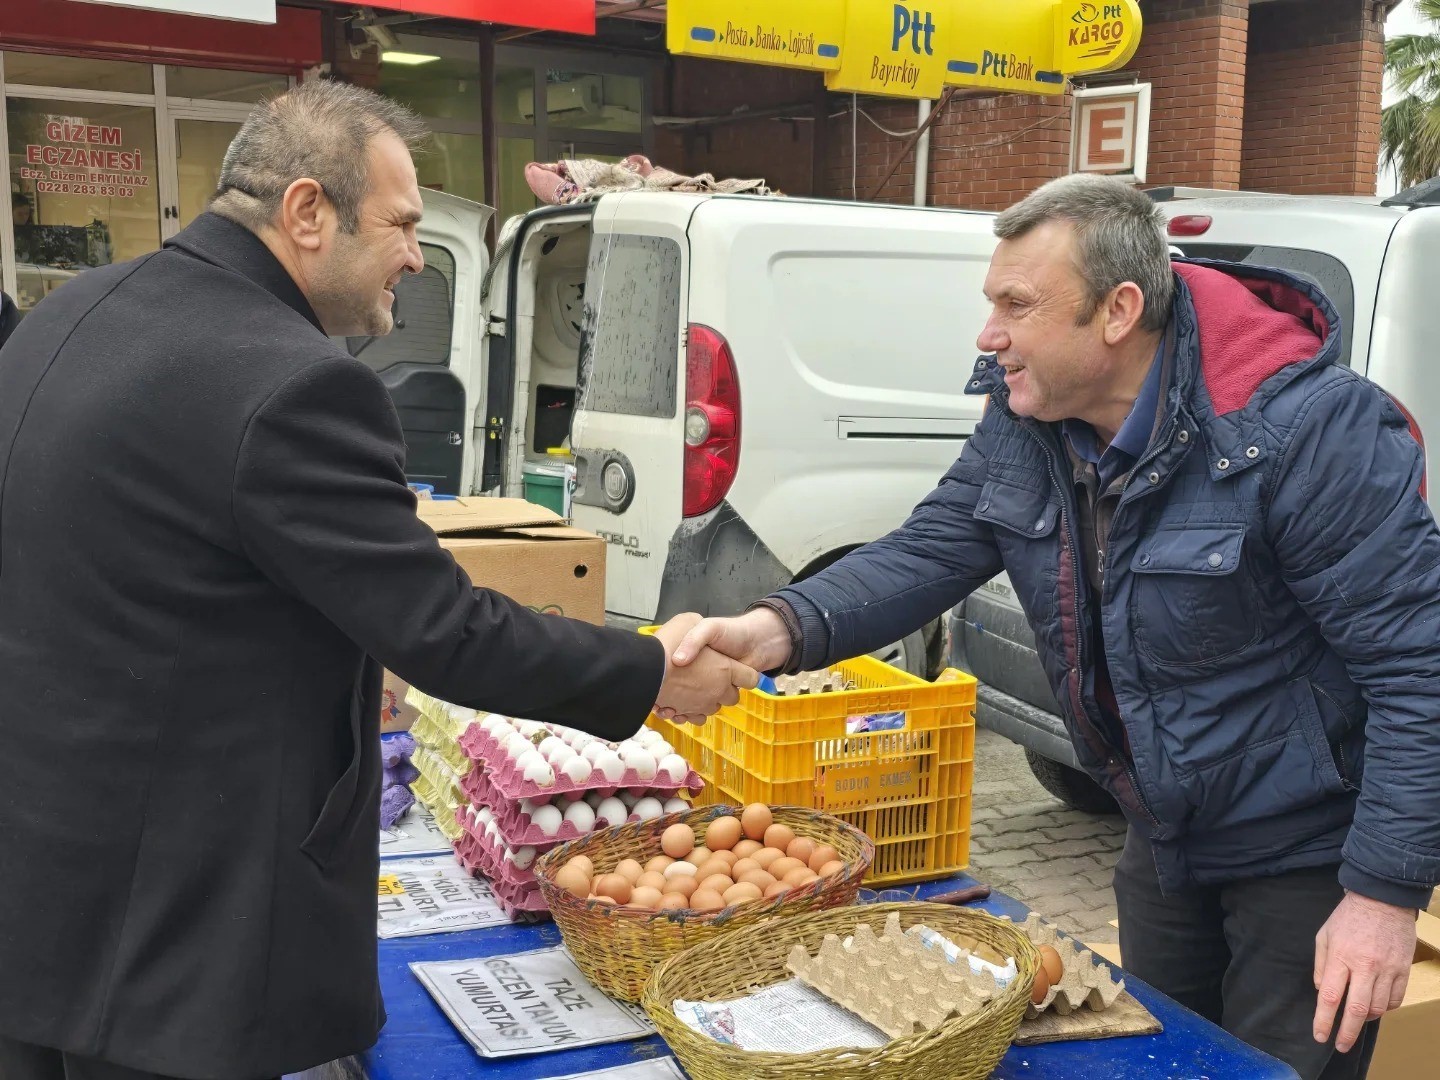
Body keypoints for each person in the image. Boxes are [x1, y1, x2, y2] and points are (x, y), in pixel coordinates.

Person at [0, 80, 753, 1080]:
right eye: (402, 223)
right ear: (308, 213)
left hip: (41, 880)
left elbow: (160, 558)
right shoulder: (294, 379)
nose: (413, 252)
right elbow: (445, 627)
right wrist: (650, 670)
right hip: (174, 921)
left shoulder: (75, 309)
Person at [666, 174, 1440, 1080]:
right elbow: (931, 548)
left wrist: (1382, 896)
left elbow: (1418, 667)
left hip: (1301, 853)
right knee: (1156, 1062)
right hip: (1160, 832)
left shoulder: (1305, 430)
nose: (988, 336)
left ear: (1118, 311)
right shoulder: (1031, 416)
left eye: (1016, 306)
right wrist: (772, 629)